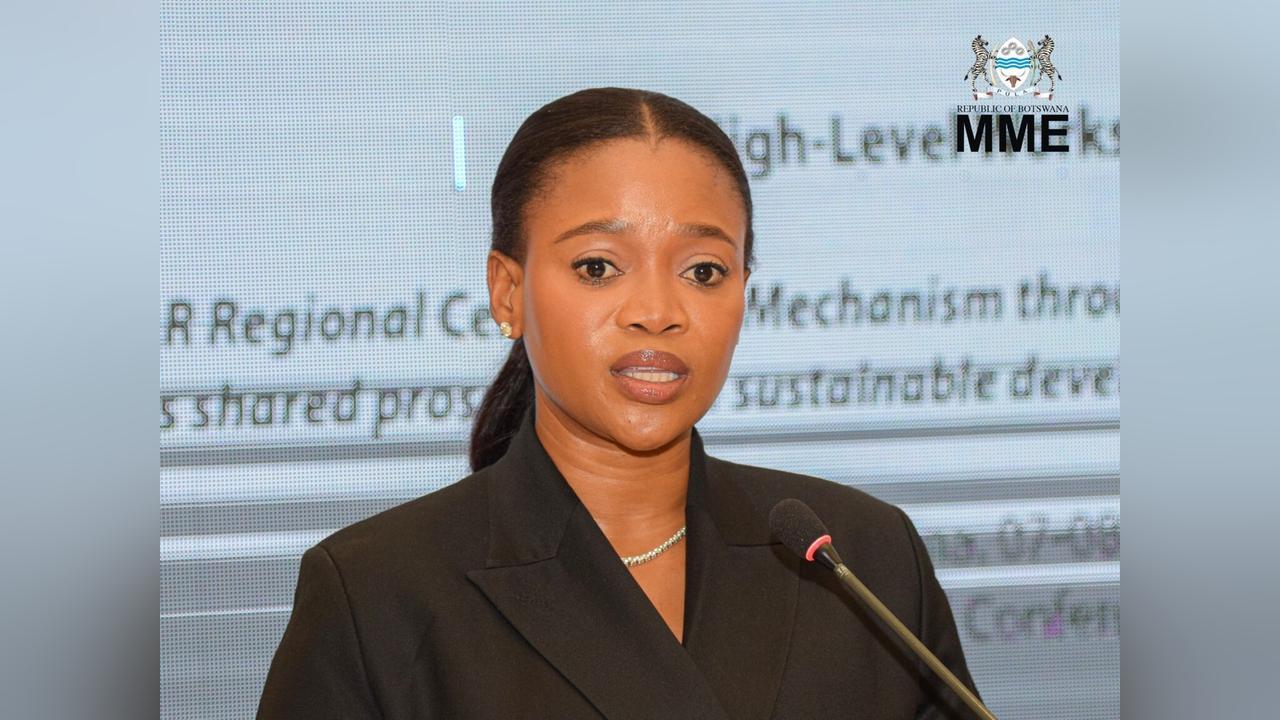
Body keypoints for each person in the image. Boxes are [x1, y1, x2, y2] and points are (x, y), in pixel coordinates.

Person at [257, 87, 982, 719]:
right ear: (508, 292)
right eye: (598, 266)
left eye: (704, 271)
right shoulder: (378, 594)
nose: (657, 312)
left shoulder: (862, 560)